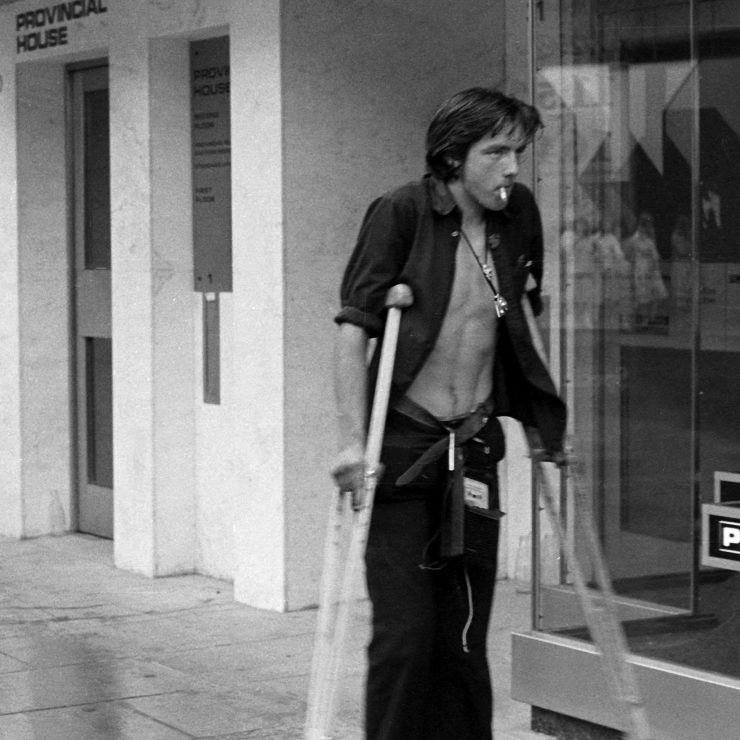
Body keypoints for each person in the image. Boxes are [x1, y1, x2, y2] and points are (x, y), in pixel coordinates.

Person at [331, 87, 566, 740]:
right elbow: (353, 332)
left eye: (518, 152)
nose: (512, 167)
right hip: (404, 447)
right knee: (405, 637)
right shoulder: (401, 213)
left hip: (477, 448)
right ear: (454, 156)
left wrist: (543, 422)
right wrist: (352, 443)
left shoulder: (518, 216)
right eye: (497, 152)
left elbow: (522, 322)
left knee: (462, 638)